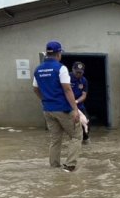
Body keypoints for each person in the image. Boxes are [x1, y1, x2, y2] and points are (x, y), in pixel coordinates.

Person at [32, 40, 81, 171]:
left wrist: (45, 100)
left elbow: (35, 89)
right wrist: (75, 110)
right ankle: (70, 165)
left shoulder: (38, 69)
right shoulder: (61, 68)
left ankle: (54, 167)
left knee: (55, 139)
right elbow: (67, 89)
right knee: (76, 136)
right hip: (63, 109)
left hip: (47, 110)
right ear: (58, 53)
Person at [70, 61, 89, 143]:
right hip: (68, 106)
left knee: (86, 123)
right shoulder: (66, 78)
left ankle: (85, 140)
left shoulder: (84, 80)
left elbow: (84, 95)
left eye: (81, 72)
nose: (79, 74)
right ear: (73, 70)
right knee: (71, 125)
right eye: (77, 72)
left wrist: (76, 101)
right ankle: (73, 141)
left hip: (79, 106)